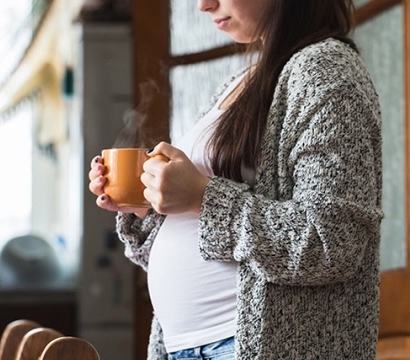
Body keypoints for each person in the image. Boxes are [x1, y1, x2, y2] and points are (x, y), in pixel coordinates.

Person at [88, 0, 383, 358]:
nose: (203, 5)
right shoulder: (240, 82)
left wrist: (201, 197)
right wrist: (149, 208)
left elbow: (332, 240)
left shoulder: (324, 70)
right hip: (190, 347)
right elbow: (213, 236)